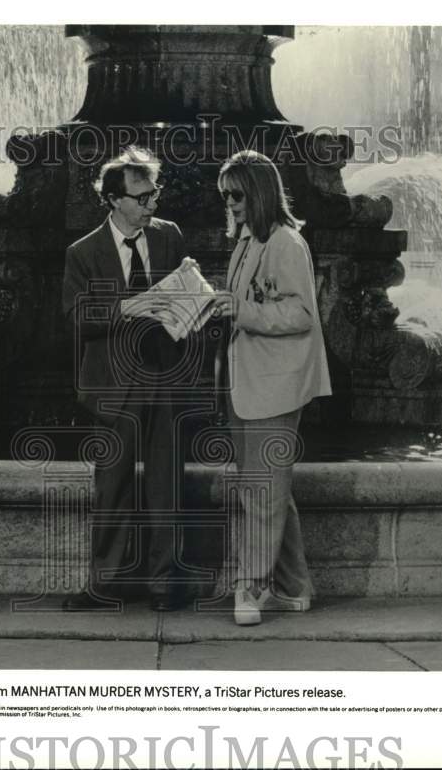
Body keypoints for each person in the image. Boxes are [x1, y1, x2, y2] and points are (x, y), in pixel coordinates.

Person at [61, 147, 191, 613]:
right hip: (112, 386)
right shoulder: (83, 252)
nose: (152, 202)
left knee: (166, 486)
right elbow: (76, 314)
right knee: (110, 487)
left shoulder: (169, 237)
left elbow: (184, 290)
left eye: (154, 192)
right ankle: (105, 584)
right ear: (114, 200)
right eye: (141, 196)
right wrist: (124, 308)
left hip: (164, 378)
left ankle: (165, 585)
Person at [211, 150, 331, 626]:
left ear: (259, 193)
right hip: (249, 384)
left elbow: (303, 314)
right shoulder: (247, 242)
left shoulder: (286, 243)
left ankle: (252, 587)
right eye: (225, 195)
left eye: (236, 194)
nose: (230, 203)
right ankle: (296, 587)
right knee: (269, 489)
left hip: (274, 388)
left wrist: (240, 312)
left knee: (261, 489)